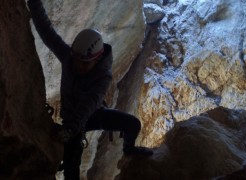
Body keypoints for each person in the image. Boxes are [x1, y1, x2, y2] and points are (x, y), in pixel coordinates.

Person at [27, 0, 153, 179]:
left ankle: (129, 149)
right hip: (72, 120)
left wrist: (70, 130)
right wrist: (34, 4)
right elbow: (47, 33)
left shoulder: (103, 77)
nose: (78, 66)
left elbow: (89, 103)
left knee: (133, 124)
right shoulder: (70, 59)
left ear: (97, 59)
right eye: (76, 60)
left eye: (84, 63)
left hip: (91, 115)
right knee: (72, 167)